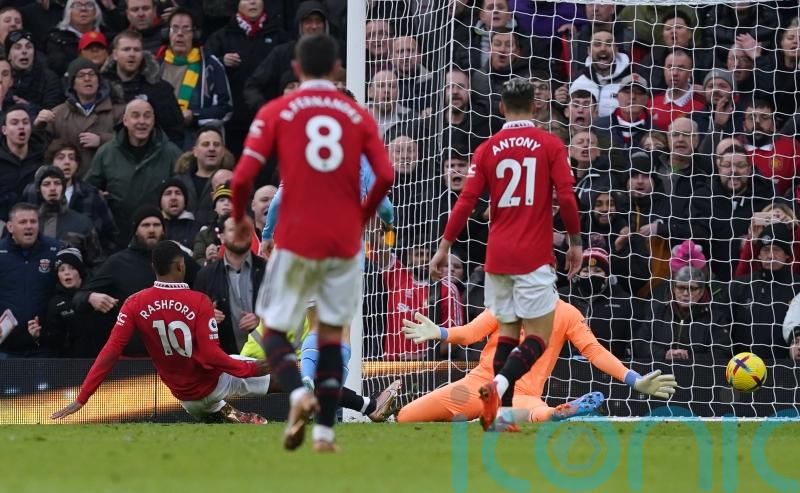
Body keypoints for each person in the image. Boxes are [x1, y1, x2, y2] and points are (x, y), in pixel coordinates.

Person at [230, 33, 393, 452]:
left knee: (277, 333)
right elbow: (385, 184)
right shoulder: (357, 120)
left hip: (296, 241)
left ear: (297, 70)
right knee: (330, 335)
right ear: (337, 67)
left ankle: (300, 393)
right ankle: (324, 431)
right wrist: (373, 219)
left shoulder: (282, 111)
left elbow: (251, 180)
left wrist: (254, 229)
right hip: (342, 245)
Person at [430, 77, 582, 431]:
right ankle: (497, 388)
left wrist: (444, 247)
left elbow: (466, 202)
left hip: (496, 257)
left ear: (501, 108)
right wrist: (575, 242)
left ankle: (501, 416)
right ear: (537, 106)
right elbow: (567, 197)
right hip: (533, 255)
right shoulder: (550, 144)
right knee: (539, 337)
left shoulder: (487, 149)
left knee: (508, 334)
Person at [51, 240, 272, 424]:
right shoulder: (199, 301)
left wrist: (83, 397)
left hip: (185, 398)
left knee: (210, 412)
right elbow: (210, 355)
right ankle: (305, 399)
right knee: (278, 375)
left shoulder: (134, 303)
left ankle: (230, 415)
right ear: (180, 266)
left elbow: (111, 350)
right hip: (214, 383)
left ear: (154, 268)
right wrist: (249, 368)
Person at [397, 299, 676, 426]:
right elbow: (471, 333)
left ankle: (557, 413)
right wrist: (441, 333)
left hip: (520, 395)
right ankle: (531, 415)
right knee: (405, 417)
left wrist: (635, 379)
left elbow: (595, 351)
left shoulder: (566, 313)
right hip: (479, 386)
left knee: (538, 414)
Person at [0, 202, 60, 358]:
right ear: (10, 227)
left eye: (33, 222)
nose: (29, 226)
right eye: (23, 222)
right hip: (6, 346)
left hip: (44, 345)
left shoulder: (55, 250)